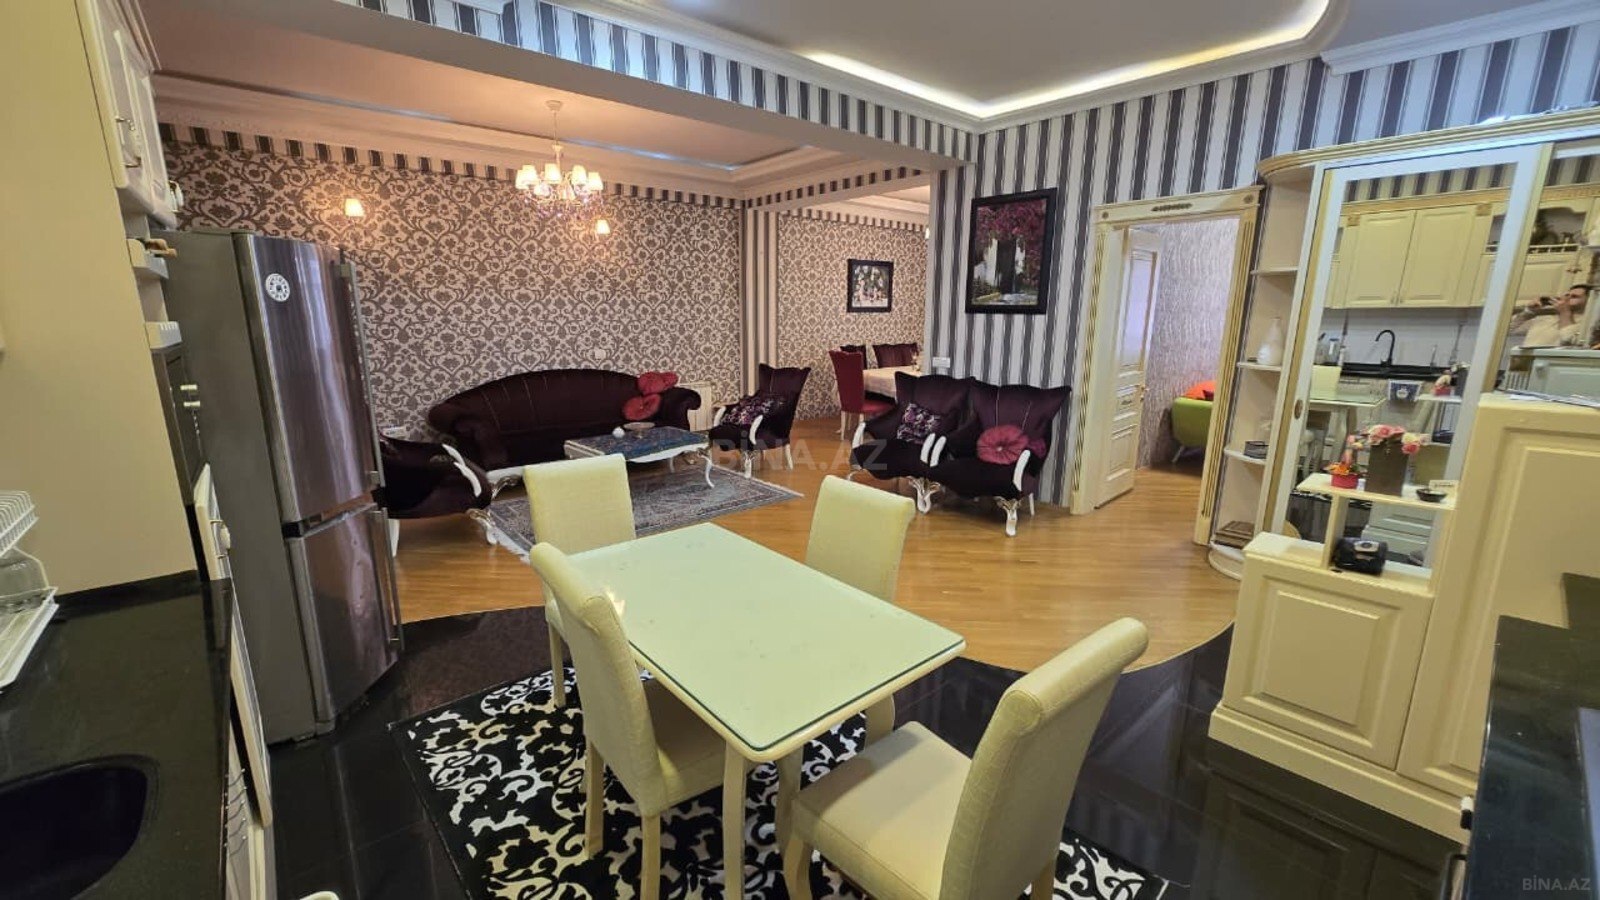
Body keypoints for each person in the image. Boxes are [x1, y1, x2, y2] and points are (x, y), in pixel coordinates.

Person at [1509, 283, 1590, 348]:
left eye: (1574, 297)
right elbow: (1510, 330)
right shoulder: (1546, 316)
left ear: (1589, 300)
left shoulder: (1587, 323)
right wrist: (1529, 311)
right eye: (1567, 295)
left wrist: (1564, 312)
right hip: (1523, 361)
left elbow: (1568, 340)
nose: (1567, 299)